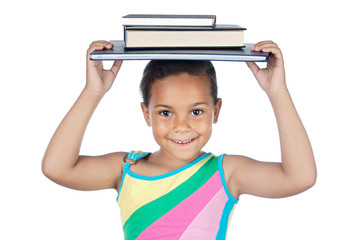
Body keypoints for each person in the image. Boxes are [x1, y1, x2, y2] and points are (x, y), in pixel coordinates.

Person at [42, 40, 317, 239]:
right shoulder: (126, 169)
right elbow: (57, 168)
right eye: (165, 112)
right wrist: (93, 91)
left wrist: (277, 92)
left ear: (216, 111)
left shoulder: (225, 173)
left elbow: (300, 177)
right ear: (146, 114)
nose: (181, 126)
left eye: (196, 111)